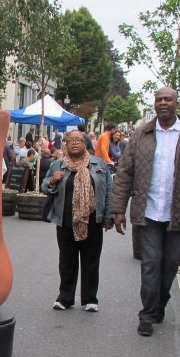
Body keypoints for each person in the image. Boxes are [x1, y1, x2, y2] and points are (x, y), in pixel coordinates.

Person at [108, 87, 180, 337]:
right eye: (159, 100)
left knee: (170, 263)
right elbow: (124, 172)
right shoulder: (141, 134)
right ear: (154, 104)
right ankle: (147, 314)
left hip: (177, 213)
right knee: (150, 263)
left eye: (168, 99)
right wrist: (118, 208)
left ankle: (160, 303)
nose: (163, 103)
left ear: (177, 103)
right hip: (148, 212)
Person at [42, 131, 113, 312]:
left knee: (91, 261)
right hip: (65, 220)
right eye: (70, 140)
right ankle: (65, 298)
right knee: (67, 261)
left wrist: (108, 216)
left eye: (78, 140)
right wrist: (52, 181)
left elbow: (109, 190)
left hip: (92, 220)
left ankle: (90, 299)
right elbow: (44, 186)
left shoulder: (99, 164)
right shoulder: (57, 164)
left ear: (85, 144)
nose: (74, 143)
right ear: (65, 144)